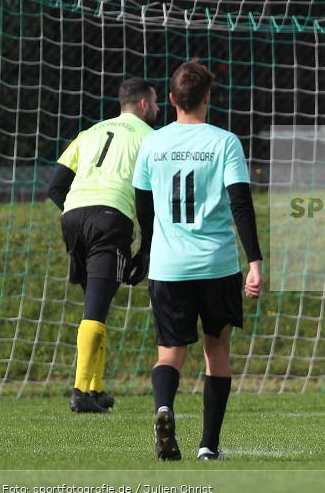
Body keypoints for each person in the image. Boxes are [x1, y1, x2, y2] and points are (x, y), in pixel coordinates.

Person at [132, 60, 263, 461]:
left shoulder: (152, 143)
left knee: (169, 353)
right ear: (207, 96)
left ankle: (164, 407)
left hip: (168, 266)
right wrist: (255, 261)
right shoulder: (225, 143)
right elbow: (241, 204)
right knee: (216, 349)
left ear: (172, 98)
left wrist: (148, 249)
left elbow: (143, 206)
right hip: (217, 265)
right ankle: (208, 446)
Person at [47, 78, 159, 413]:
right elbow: (146, 199)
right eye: (155, 103)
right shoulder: (150, 137)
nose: (157, 109)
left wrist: (80, 209)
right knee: (96, 307)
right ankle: (81, 392)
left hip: (73, 216)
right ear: (143, 104)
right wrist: (147, 248)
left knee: (96, 303)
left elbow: (55, 187)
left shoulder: (90, 132)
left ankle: (94, 388)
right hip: (110, 218)